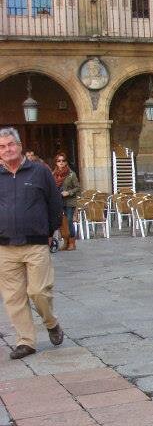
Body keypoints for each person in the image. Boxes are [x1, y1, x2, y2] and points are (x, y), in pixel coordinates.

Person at [0, 127, 65, 359]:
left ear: (19, 146)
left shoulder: (39, 172)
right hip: (5, 247)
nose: (7, 149)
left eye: (10, 144)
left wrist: (50, 231)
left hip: (36, 243)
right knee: (13, 297)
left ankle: (51, 322)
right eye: (2, 146)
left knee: (38, 292)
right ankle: (26, 341)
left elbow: (55, 203)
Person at [53, 152, 80, 251]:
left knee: (69, 221)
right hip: (59, 202)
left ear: (66, 162)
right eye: (58, 161)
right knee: (62, 222)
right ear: (56, 162)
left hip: (69, 202)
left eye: (63, 161)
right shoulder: (53, 174)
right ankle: (65, 242)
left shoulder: (71, 174)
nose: (61, 162)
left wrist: (68, 192)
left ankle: (72, 243)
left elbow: (78, 188)